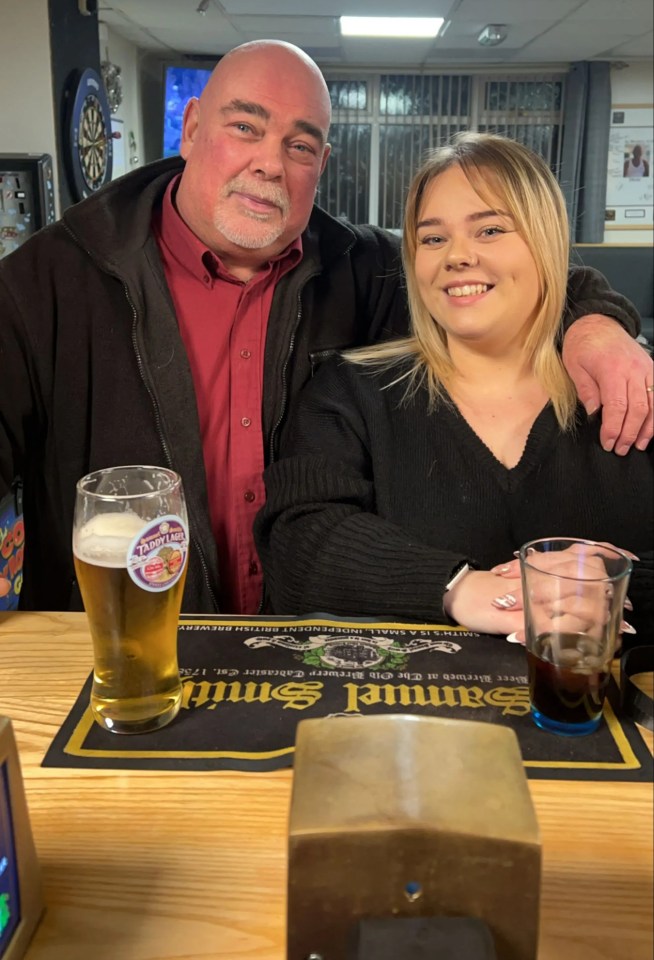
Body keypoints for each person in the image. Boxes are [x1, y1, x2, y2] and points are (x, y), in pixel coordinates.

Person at [0, 41, 651, 615]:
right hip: (109, 648)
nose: (269, 163)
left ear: (323, 162)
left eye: (300, 144)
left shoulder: (360, 268)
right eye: (245, 127)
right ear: (192, 128)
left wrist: (595, 322)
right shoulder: (49, 279)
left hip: (299, 651)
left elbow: (498, 284)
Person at [255, 133, 653, 638]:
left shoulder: (632, 386)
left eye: (489, 230)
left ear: (545, 240)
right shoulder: (349, 392)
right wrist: (457, 588)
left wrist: (615, 586)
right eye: (434, 238)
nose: (458, 256)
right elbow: (298, 542)